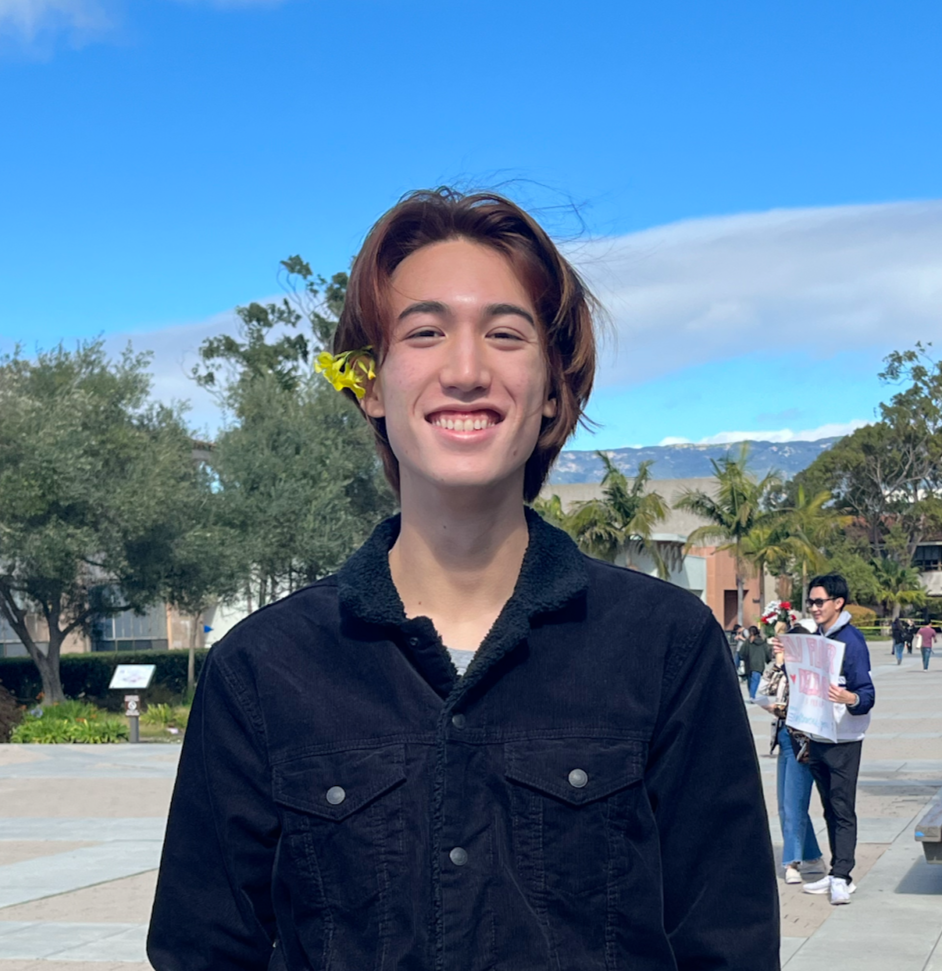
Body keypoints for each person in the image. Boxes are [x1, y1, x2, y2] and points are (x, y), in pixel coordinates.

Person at [146, 189, 779, 970]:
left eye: (506, 333)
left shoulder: (667, 649)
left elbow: (728, 943)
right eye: (426, 332)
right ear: (371, 384)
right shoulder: (261, 670)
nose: (468, 368)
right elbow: (202, 949)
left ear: (553, 392)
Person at [799, 574, 875, 906]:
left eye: (819, 602)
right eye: (811, 602)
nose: (814, 608)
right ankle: (835, 870)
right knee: (829, 808)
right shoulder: (818, 637)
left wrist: (849, 698)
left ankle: (844, 876)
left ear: (837, 603)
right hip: (818, 734)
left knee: (843, 808)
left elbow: (867, 694)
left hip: (844, 738)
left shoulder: (852, 641)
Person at [755, 633, 824, 885]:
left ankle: (792, 861)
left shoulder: (810, 671)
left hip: (803, 742)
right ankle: (813, 856)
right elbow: (761, 695)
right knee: (785, 804)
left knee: (794, 803)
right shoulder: (781, 670)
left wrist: (787, 666)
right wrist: (776, 664)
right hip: (783, 737)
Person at [739, 625, 773, 699]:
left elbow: (742, 653)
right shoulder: (763, 643)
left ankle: (751, 695)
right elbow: (767, 653)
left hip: (748, 665)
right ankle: (752, 696)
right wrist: (768, 659)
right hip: (759, 664)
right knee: (755, 681)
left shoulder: (747, 642)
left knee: (750, 681)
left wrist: (742, 658)